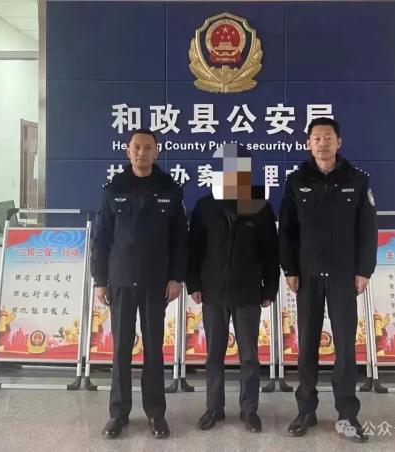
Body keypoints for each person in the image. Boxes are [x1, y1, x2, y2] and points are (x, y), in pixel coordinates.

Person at [278, 117, 378, 442]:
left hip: (343, 276)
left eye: (328, 138)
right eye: (317, 138)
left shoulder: (357, 180)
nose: (322, 143)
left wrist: (364, 270)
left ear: (339, 142)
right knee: (307, 344)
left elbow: (367, 230)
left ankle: (347, 414)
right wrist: (290, 269)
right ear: (309, 143)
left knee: (345, 347)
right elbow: (287, 231)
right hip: (307, 275)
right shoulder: (296, 181)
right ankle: (306, 410)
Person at [91, 128, 187, 440]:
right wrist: (100, 280)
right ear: (127, 151)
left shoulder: (170, 190)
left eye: (148, 148)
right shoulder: (114, 189)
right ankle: (118, 414)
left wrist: (176, 277)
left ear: (156, 152)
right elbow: (101, 239)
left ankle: (156, 414)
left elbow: (179, 240)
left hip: (156, 282)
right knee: (121, 348)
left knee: (154, 349)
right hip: (120, 280)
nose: (142, 153)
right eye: (136, 147)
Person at [187, 143, 279, 433]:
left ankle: (249, 410)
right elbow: (194, 248)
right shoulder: (205, 206)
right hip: (212, 291)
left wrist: (270, 289)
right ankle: (213, 408)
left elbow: (271, 252)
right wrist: (193, 283)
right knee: (214, 355)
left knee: (249, 356)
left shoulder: (261, 207)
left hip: (248, 291)